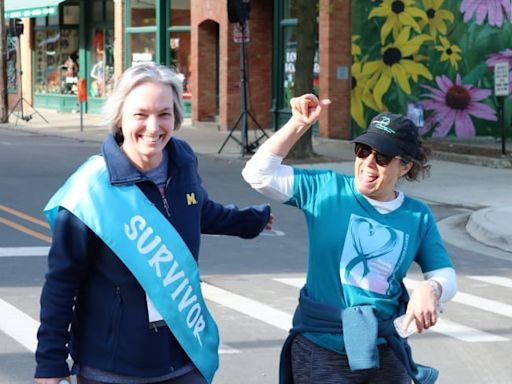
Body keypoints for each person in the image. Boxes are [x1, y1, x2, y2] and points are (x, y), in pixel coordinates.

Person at [35, 62, 273, 384]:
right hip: (113, 367)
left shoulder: (182, 163)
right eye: (140, 114)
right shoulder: (91, 192)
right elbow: (61, 283)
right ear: (120, 117)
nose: (153, 126)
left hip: (182, 355)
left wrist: (249, 221)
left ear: (176, 116)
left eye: (164, 114)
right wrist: (50, 363)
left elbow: (197, 210)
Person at [242, 94, 457, 384]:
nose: (368, 163)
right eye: (362, 150)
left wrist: (431, 288)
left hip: (385, 351)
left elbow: (444, 273)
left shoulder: (416, 216)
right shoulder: (325, 189)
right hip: (322, 348)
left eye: (381, 157)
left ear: (404, 166)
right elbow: (257, 174)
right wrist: (297, 124)